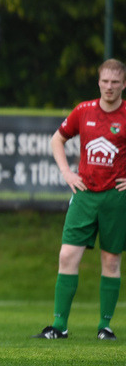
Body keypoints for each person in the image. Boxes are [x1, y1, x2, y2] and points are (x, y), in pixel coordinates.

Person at [34, 59, 126, 341]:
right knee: (67, 255)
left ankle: (105, 327)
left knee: (111, 261)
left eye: (115, 82)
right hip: (84, 194)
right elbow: (57, 140)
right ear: (98, 82)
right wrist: (66, 172)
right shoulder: (83, 110)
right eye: (105, 81)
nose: (109, 87)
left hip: (115, 197)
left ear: (123, 84)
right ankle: (59, 326)